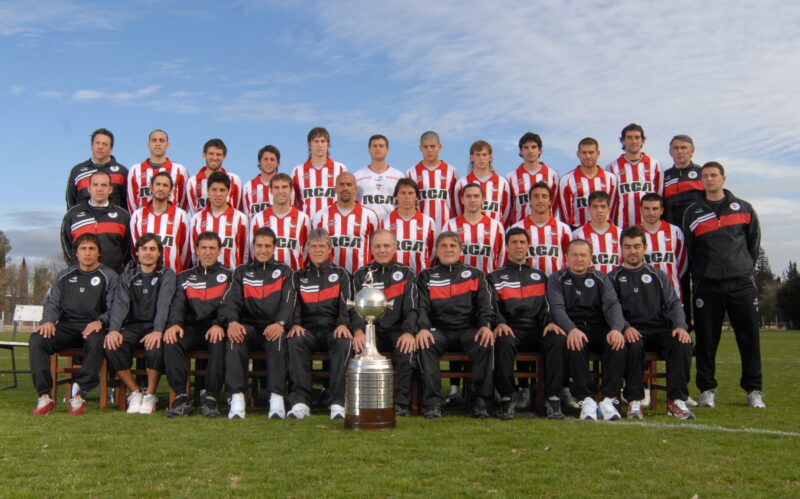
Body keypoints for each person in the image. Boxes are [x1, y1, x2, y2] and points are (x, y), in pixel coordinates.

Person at [683, 162, 764, 408]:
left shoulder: (744, 208)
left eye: (713, 175)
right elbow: (690, 250)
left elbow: (753, 244)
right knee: (707, 340)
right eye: (705, 176)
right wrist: (703, 274)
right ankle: (707, 389)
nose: (709, 179)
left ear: (723, 178)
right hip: (707, 286)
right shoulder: (693, 212)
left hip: (741, 283)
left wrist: (740, 269)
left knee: (749, 338)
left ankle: (754, 390)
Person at [608, 226, 695, 419]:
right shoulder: (613, 277)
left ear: (645, 248)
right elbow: (610, 308)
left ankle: (676, 401)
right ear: (621, 249)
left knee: (682, 342)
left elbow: (674, 304)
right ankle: (634, 400)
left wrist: (681, 326)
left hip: (658, 329)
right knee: (632, 343)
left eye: (637, 246)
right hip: (631, 331)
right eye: (628, 247)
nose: (633, 251)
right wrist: (625, 327)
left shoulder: (658, 275)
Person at [29, 233, 118, 416]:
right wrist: (48, 321)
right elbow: (53, 303)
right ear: (76, 253)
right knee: (38, 339)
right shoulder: (64, 276)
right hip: (67, 326)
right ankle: (45, 395)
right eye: (83, 249)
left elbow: (115, 307)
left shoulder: (109, 276)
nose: (87, 253)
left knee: (96, 341)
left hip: (95, 327)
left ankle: (80, 395)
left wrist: (100, 321)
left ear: (98, 253)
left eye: (91, 249)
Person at [489, 228, 567, 420]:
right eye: (514, 242)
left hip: (536, 329)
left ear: (527, 246)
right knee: (503, 341)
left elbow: (548, 306)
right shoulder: (495, 277)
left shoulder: (540, 276)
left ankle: (553, 398)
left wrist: (549, 322)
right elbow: (491, 307)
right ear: (507, 247)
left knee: (557, 339)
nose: (518, 246)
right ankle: (507, 398)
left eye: (522, 242)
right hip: (510, 328)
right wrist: (499, 323)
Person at [416, 231, 495, 419]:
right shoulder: (426, 275)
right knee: (425, 342)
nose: (448, 249)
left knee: (485, 340)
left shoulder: (475, 274)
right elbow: (421, 307)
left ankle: (481, 402)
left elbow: (485, 305)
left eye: (453, 246)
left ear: (460, 250)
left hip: (467, 330)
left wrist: (485, 325)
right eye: (443, 246)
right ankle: (433, 403)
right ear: (437, 250)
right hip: (439, 330)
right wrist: (423, 328)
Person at [547, 240, 628, 421]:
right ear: (566, 257)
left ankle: (609, 398)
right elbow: (557, 309)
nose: (579, 259)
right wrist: (571, 329)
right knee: (574, 343)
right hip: (572, 326)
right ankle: (586, 399)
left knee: (618, 343)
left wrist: (616, 329)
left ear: (590, 258)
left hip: (598, 327)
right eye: (574, 255)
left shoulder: (601, 278)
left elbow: (612, 305)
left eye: (583, 255)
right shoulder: (556, 279)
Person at [218, 227, 295, 420]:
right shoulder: (241, 272)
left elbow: (289, 302)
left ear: (274, 247)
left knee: (277, 338)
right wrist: (232, 322)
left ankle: (276, 398)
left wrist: (280, 323)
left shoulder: (285, 271)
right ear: (253, 247)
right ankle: (237, 398)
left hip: (273, 326)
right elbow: (230, 301)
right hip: (249, 327)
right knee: (235, 335)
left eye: (267, 246)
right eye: (259, 246)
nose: (263, 250)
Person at [104, 233, 176, 414]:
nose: (148, 253)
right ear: (137, 253)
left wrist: (159, 330)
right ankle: (135, 392)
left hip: (154, 326)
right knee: (112, 345)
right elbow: (119, 306)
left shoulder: (166, 274)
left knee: (155, 347)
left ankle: (150, 395)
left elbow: (164, 304)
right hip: (133, 327)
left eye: (153, 249)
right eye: (144, 249)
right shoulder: (127, 276)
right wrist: (113, 330)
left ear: (160, 253)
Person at [286, 229, 354, 420]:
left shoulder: (341, 274)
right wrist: (295, 324)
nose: (317, 250)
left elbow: (347, 304)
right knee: (294, 339)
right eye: (313, 246)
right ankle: (301, 402)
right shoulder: (298, 276)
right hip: (307, 330)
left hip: (333, 329)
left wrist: (343, 324)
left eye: (322, 246)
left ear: (329, 250)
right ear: (307, 249)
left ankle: (338, 403)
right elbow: (292, 305)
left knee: (344, 342)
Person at [163, 232, 232, 418]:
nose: (207, 252)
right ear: (197, 251)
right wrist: (175, 324)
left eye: (212, 248)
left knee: (219, 341)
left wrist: (219, 324)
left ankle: (210, 398)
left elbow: (230, 305)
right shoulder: (184, 277)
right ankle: (181, 397)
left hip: (216, 327)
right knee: (171, 340)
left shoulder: (229, 276)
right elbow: (178, 303)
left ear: (219, 251)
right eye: (203, 248)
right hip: (191, 328)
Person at [351, 230, 417, 416]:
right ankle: (362, 400)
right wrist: (357, 331)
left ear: (394, 248)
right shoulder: (361, 274)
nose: (382, 250)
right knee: (355, 347)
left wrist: (408, 332)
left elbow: (411, 308)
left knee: (406, 349)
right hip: (370, 331)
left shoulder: (406, 273)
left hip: (397, 330)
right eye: (378, 246)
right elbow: (354, 308)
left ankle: (401, 404)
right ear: (371, 248)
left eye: (387, 246)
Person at [61, 170, 131, 274]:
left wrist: (117, 267)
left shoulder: (123, 216)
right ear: (89, 188)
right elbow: (67, 246)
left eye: (104, 185)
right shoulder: (73, 214)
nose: (99, 189)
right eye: (95, 185)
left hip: (113, 278)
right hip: (81, 277)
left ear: (110, 189)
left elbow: (127, 249)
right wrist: (75, 267)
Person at [311, 172, 379, 274]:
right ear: (335, 189)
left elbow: (376, 247)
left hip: (361, 277)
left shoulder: (370, 215)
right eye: (341, 184)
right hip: (330, 278)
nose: (345, 188)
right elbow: (315, 249)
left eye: (349, 184)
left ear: (356, 189)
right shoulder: (321, 216)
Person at [129, 171, 192, 273]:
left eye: (165, 185)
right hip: (145, 277)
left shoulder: (181, 216)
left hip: (173, 277)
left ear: (170, 190)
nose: (161, 188)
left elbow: (185, 251)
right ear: (151, 188)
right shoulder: (137, 216)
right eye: (158, 184)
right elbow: (135, 248)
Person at [249, 173, 311, 270]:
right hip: (266, 278)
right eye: (276, 187)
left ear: (291, 190)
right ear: (271, 191)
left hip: (294, 278)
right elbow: (253, 251)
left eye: (284, 187)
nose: (280, 191)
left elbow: (307, 252)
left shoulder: (303, 219)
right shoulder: (258, 219)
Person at [607, 123, 662, 228]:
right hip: (622, 226)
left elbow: (659, 196)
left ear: (643, 141)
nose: (634, 141)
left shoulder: (654, 165)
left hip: (649, 226)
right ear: (623, 141)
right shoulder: (612, 167)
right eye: (629, 138)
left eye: (637, 137)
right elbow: (610, 201)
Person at [442, 183, 505, 274]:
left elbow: (501, 259)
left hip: (488, 283)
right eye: (468, 196)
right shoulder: (450, 226)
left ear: (483, 199)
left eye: (476, 196)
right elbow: (443, 257)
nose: (472, 200)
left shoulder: (496, 226)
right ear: (462, 200)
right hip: (458, 283)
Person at [190, 171, 249, 269]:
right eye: (214, 190)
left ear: (228, 191)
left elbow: (244, 253)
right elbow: (194, 253)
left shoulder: (240, 219)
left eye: (222, 190)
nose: (218, 194)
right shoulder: (197, 219)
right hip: (203, 279)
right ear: (208, 190)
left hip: (231, 279)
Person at [512, 181, 572, 276]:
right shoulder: (517, 228)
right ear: (530, 201)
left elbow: (570, 258)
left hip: (556, 285)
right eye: (536, 196)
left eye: (544, 196)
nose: (540, 200)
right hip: (526, 284)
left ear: (550, 201)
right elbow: (511, 258)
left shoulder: (564, 229)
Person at [558, 137, 618, 230]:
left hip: (603, 229)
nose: (588, 156)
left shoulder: (610, 179)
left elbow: (612, 208)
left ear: (598, 153)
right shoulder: (566, 180)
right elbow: (564, 213)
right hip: (577, 229)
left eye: (591, 152)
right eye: (584, 153)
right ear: (578, 154)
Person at [380, 178, 437, 273]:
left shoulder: (428, 222)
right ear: (395, 196)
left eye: (411, 193)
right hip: (391, 279)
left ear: (417, 197)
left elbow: (432, 253)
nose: (407, 197)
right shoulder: (384, 221)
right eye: (403, 193)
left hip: (420, 279)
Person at [406, 131, 459, 230]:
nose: (429, 150)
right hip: (420, 228)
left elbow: (457, 202)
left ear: (439, 147)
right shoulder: (411, 173)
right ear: (420, 148)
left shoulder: (452, 172)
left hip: (446, 228)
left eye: (433, 146)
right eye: (425, 147)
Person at [638, 193, 686, 301]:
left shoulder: (675, 232)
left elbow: (682, 263)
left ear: (662, 210)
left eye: (655, 208)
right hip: (642, 296)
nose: (651, 212)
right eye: (647, 208)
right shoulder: (634, 233)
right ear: (641, 209)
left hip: (671, 295)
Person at [126, 129, 189, 212]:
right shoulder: (135, 170)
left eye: (161, 140)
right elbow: (131, 201)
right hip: (143, 221)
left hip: (171, 222)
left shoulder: (180, 170)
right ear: (148, 144)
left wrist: (176, 218)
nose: (158, 143)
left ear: (167, 145)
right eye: (154, 140)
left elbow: (184, 201)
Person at [66, 128, 128, 210]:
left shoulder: (122, 172)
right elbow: (70, 201)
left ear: (111, 149)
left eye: (104, 144)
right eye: (97, 143)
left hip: (113, 221)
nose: (100, 147)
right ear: (91, 146)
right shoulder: (77, 171)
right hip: (84, 221)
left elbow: (127, 203)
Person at [453, 140, 512, 224]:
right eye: (477, 155)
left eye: (484, 155)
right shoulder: (462, 183)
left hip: (494, 234)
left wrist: (497, 229)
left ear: (490, 157)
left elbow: (507, 212)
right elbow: (458, 211)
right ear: (471, 157)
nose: (481, 158)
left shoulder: (502, 183)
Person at [507, 132, 560, 224]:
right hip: (520, 231)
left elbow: (554, 204)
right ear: (521, 151)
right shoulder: (510, 177)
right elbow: (508, 208)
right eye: (526, 147)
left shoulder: (552, 175)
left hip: (546, 229)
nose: (530, 151)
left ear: (540, 150)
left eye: (534, 147)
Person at [292, 127, 347, 214]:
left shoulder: (340, 169)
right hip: (308, 225)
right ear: (309, 145)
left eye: (323, 141)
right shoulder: (297, 171)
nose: (320, 145)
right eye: (316, 141)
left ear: (328, 145)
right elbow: (293, 201)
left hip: (333, 223)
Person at [354, 135, 405, 220]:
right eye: (374, 146)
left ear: (387, 150)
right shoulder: (357, 176)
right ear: (369, 150)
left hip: (391, 224)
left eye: (381, 146)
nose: (378, 148)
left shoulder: (399, 176)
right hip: (366, 224)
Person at [186, 138, 243, 214]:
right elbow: (194, 211)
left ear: (224, 157)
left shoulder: (234, 179)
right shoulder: (192, 181)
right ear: (204, 155)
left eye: (218, 154)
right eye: (211, 154)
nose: (215, 158)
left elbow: (238, 208)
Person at [571, 191, 621, 275]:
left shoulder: (620, 233)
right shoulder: (578, 234)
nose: (599, 210)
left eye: (603, 206)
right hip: (589, 284)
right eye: (595, 206)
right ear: (589, 209)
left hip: (614, 284)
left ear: (609, 209)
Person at [662, 135, 703, 227]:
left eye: (683, 148)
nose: (679, 151)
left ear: (692, 151)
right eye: (676, 148)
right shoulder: (663, 177)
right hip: (672, 229)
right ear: (670, 152)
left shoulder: (703, 173)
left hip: (698, 229)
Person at [244, 145, 292, 216]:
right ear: (259, 162)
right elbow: (246, 213)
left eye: (272, 160)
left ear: (278, 163)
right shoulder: (248, 186)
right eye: (265, 159)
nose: (269, 162)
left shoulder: (286, 185)